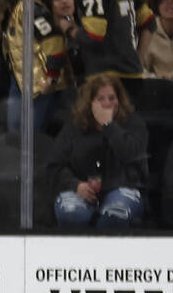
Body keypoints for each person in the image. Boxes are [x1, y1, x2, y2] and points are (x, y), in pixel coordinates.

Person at [52, 74, 148, 228]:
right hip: (81, 190)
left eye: (112, 98)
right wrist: (76, 185)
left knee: (115, 216)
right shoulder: (74, 126)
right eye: (100, 99)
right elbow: (55, 165)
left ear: (119, 99)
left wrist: (109, 126)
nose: (107, 103)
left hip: (122, 189)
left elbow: (132, 155)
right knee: (72, 214)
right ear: (90, 102)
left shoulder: (133, 123)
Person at [2, 0, 77, 134]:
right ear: (49, 4)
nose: (64, 1)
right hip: (39, 87)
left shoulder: (83, 30)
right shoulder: (39, 26)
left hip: (68, 92)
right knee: (17, 134)